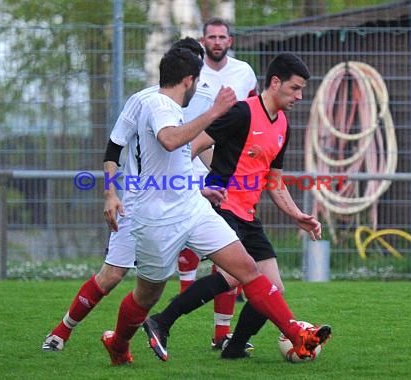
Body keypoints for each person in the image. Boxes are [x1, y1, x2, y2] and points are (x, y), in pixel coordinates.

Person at [101, 48, 330, 366]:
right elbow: (183, 145)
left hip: (229, 211)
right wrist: (191, 185)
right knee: (161, 290)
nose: (300, 95)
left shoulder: (281, 126)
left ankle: (259, 342)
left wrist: (295, 215)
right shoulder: (227, 111)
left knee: (262, 279)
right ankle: (137, 334)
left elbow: (271, 179)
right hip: (199, 210)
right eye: (296, 87)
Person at [40, 37, 225, 352]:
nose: (193, 71)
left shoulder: (207, 99)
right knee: (111, 276)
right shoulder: (144, 100)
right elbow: (114, 147)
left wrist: (217, 183)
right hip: (142, 204)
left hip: (189, 203)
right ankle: (62, 331)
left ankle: (227, 336)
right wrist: (110, 193)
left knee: (236, 264)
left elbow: (205, 150)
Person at [177, 17, 258, 351]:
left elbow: (254, 111)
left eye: (222, 36)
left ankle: (221, 334)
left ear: (231, 40)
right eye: (211, 36)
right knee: (187, 234)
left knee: (229, 244)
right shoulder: (194, 74)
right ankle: (182, 290)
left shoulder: (244, 73)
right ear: (203, 40)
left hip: (227, 167)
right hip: (188, 160)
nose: (217, 41)